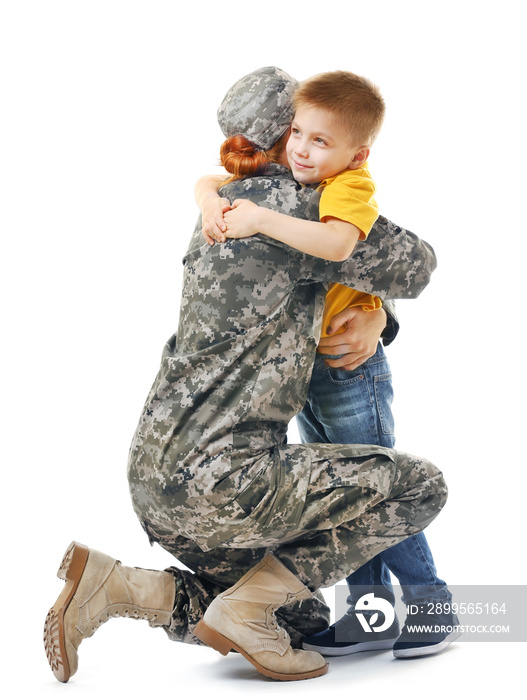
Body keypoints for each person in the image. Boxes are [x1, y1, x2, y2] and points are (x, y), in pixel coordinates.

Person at [44, 67, 447, 684]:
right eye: (299, 133)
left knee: (301, 616)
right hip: (229, 484)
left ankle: (119, 585)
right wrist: (381, 312)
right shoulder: (303, 209)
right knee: (419, 486)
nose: (307, 147)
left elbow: (317, 275)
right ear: (286, 134)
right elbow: (416, 266)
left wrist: (373, 314)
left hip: (155, 477)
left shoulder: (218, 212)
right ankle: (420, 604)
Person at [199, 69, 458, 658]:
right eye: (296, 133)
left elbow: (343, 247)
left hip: (348, 371)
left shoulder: (346, 188)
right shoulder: (287, 176)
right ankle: (372, 616)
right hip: (305, 373)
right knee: (339, 495)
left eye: (320, 140)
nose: (301, 148)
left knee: (378, 487)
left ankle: (430, 603)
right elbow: (210, 176)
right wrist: (210, 199)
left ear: (355, 152)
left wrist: (261, 220)